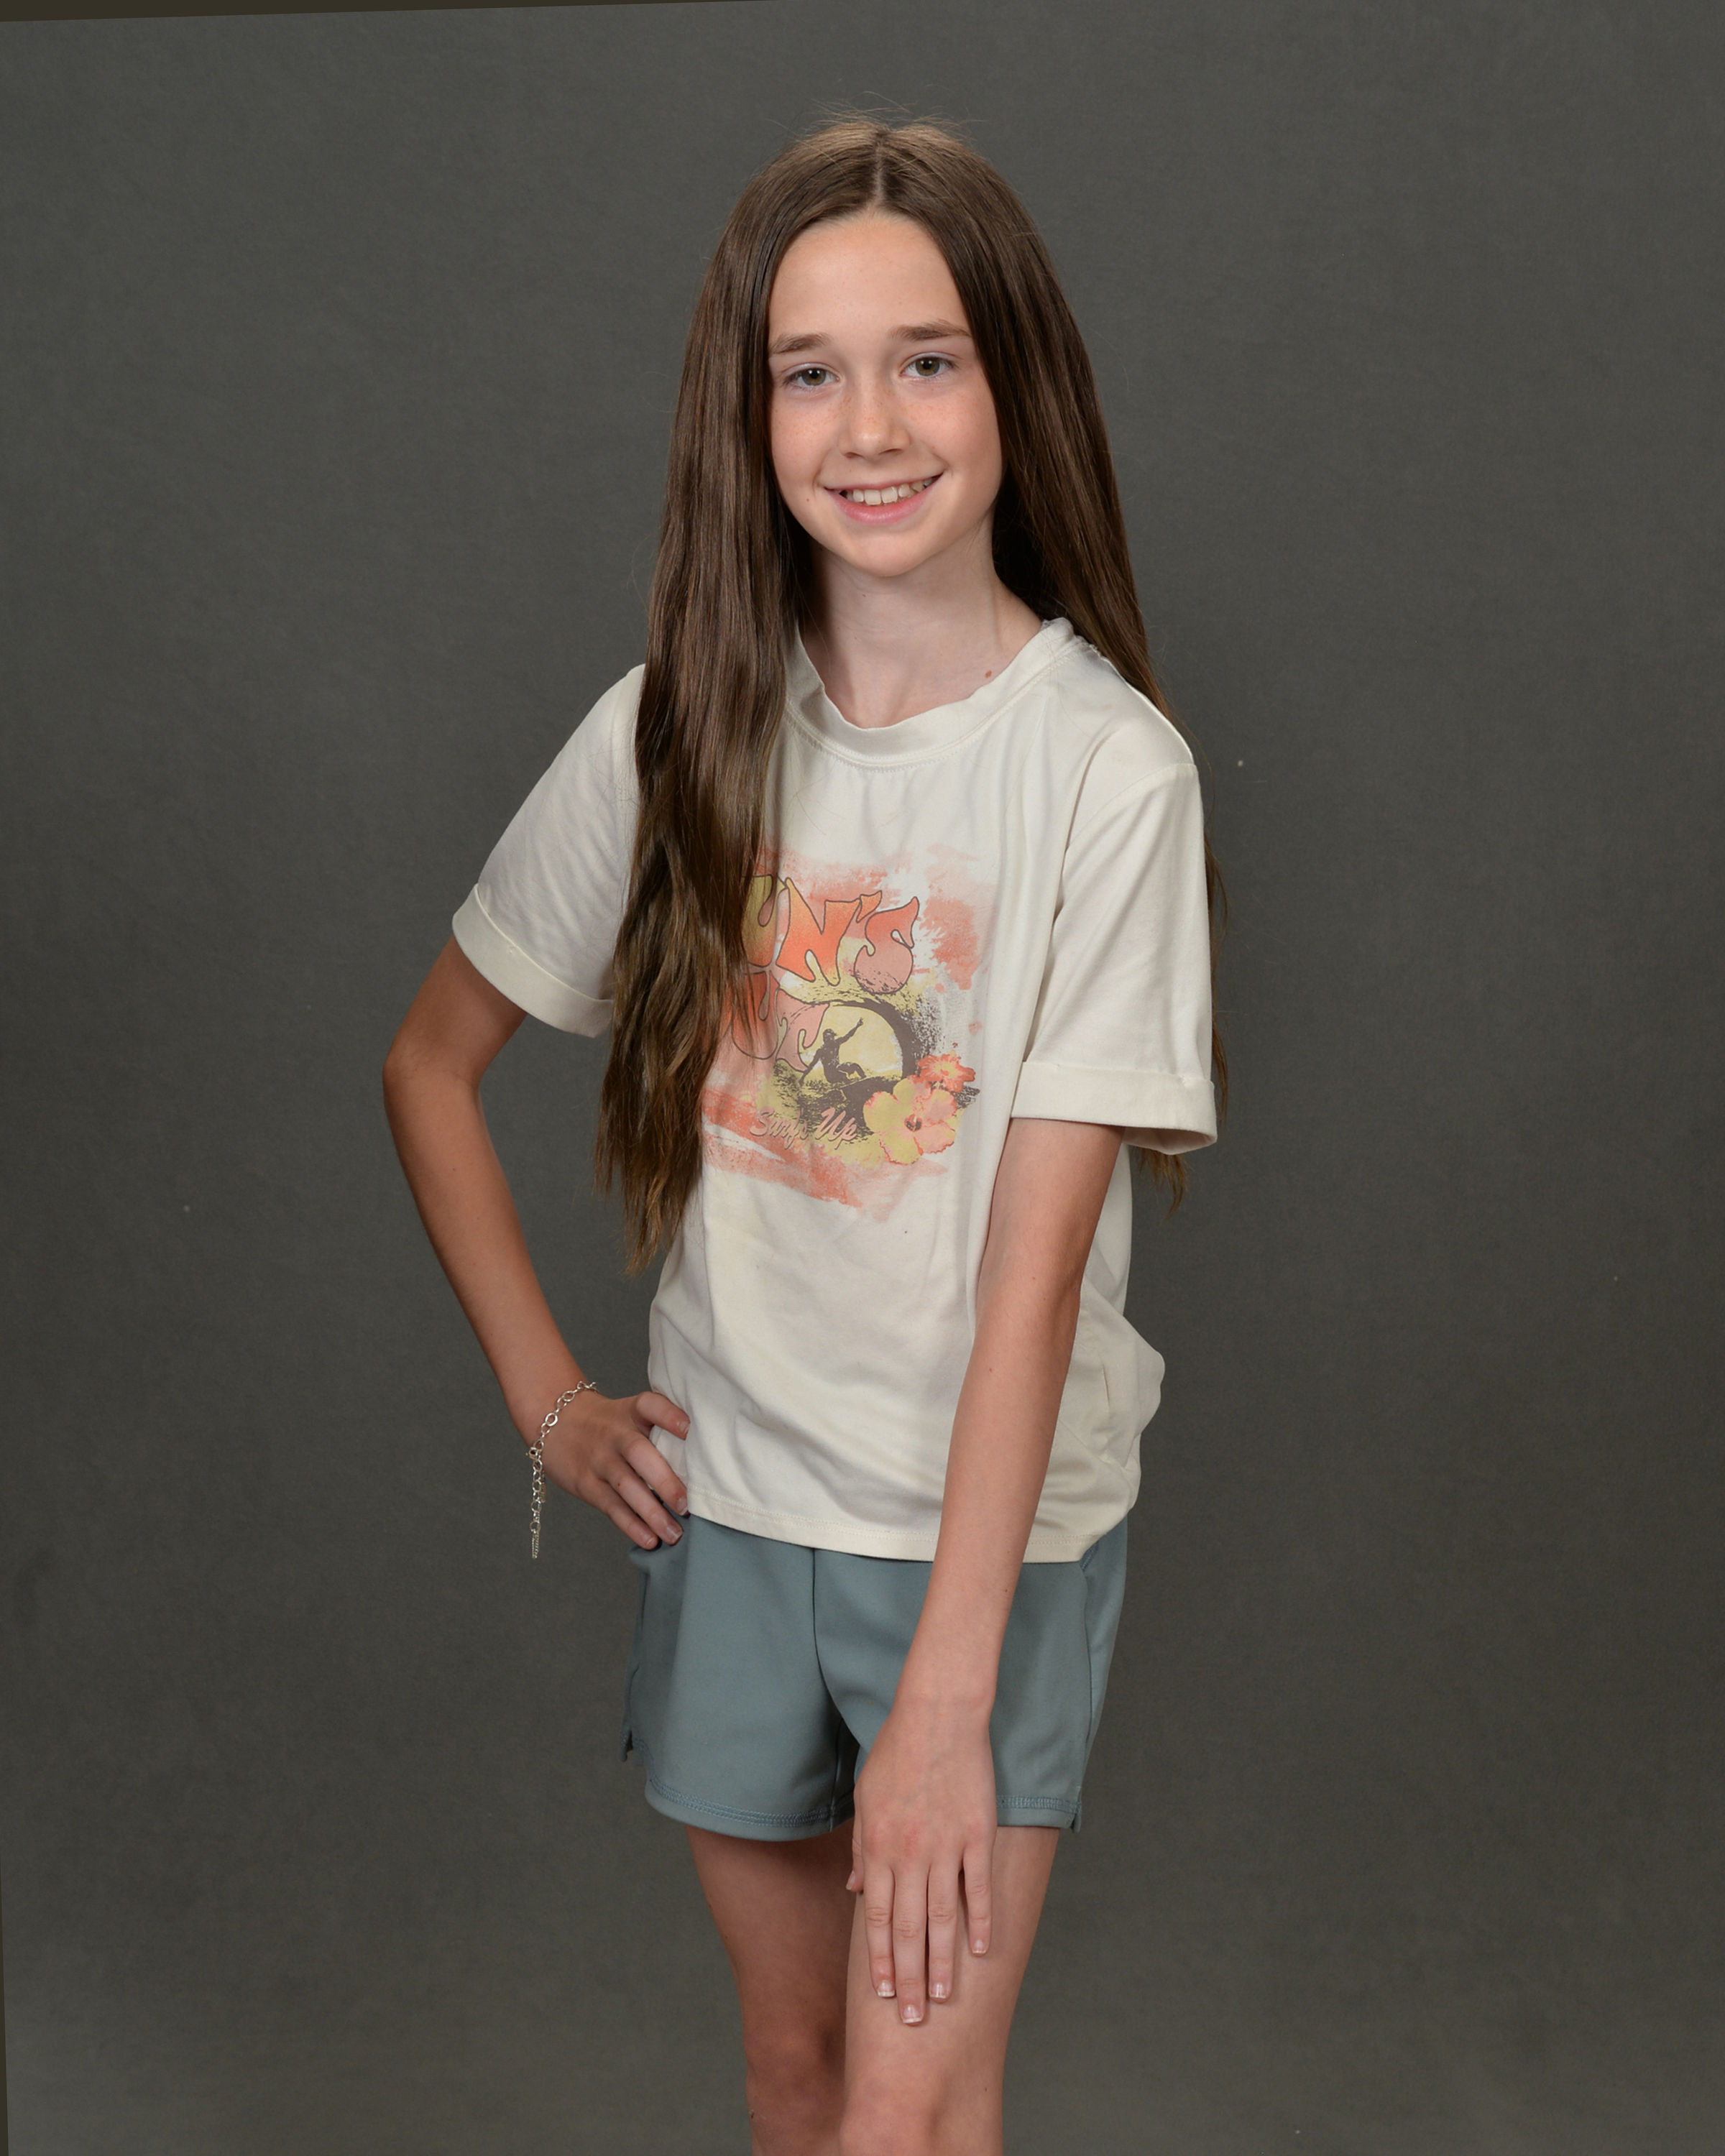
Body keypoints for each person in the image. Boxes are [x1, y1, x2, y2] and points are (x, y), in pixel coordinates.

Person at [383, 115, 1222, 2156]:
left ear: (1016, 381)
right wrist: (554, 1405)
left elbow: (1032, 1288)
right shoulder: (678, 727)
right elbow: (430, 1064)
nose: (872, 427)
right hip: (739, 1513)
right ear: (745, 415)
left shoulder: (1107, 776)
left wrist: (947, 1699)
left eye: (927, 359)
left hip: (984, 1549)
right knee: (796, 2081)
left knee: (908, 2120)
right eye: (810, 371)